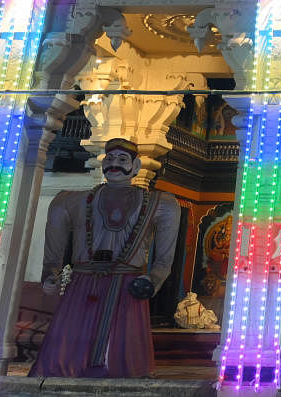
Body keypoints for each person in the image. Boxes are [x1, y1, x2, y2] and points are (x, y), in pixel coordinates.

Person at [31, 137, 181, 378]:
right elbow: (53, 253)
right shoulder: (70, 201)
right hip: (82, 286)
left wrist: (152, 281)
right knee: (64, 361)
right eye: (109, 158)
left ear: (136, 165)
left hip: (126, 289)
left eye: (122, 159)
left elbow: (164, 261)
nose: (114, 164)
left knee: (122, 365)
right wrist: (50, 273)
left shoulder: (161, 204)